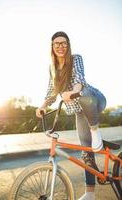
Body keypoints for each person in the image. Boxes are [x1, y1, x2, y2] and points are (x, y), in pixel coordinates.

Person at [36, 31, 106, 200]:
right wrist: (43, 106)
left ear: (68, 45)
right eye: (56, 43)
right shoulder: (52, 68)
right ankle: (90, 193)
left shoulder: (76, 58)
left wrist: (73, 92)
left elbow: (81, 79)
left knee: (85, 92)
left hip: (94, 101)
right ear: (52, 47)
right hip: (80, 112)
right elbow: (51, 92)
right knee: (86, 151)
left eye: (64, 43)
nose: (60, 46)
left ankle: (95, 131)